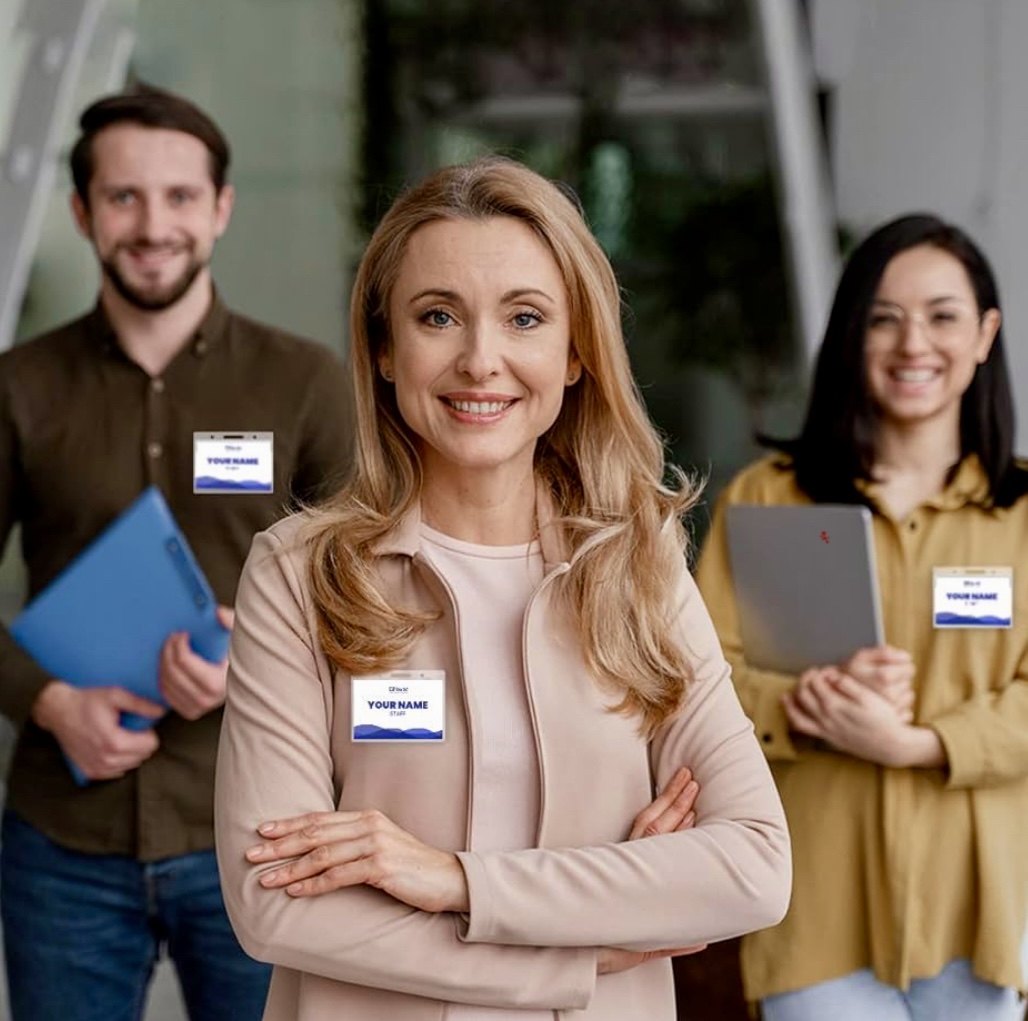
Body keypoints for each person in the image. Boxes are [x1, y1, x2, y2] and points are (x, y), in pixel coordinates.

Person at [214, 155, 791, 1021]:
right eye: (438, 315)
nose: (481, 361)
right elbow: (275, 903)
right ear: (383, 346)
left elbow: (752, 864)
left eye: (524, 318)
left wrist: (452, 879)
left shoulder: (641, 566)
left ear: (574, 354)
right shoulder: (298, 574)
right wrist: (589, 943)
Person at [0, 87, 354, 1021]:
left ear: (221, 207)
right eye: (123, 198)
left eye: (180, 197)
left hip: (264, 832)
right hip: (62, 840)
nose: (153, 225)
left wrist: (268, 660)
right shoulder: (18, 389)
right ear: (82, 212)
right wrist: (49, 700)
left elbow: (380, 598)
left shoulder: (307, 383)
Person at [696, 214, 1028, 1021]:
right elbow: (695, 680)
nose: (914, 342)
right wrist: (810, 707)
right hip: (814, 911)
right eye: (884, 317)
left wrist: (920, 744)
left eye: (943, 315)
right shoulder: (768, 498)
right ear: (852, 334)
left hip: (978, 910)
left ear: (985, 334)